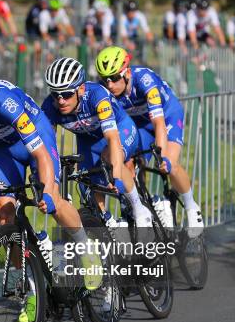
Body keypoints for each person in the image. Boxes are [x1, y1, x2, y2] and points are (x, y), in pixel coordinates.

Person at [0, 65, 102, 322]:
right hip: (3, 150)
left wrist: (47, 191)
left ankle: (86, 249)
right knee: (5, 218)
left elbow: (40, 155)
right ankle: (32, 291)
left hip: (36, 138)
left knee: (54, 201)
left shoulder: (4, 102)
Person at [95, 46, 204, 230]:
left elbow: (159, 123)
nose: (110, 85)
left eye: (114, 78)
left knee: (169, 163)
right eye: (104, 81)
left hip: (167, 115)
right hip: (139, 124)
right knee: (127, 162)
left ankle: (192, 207)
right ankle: (148, 204)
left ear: (126, 72)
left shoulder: (145, 80)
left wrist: (161, 156)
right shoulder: (107, 94)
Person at [41, 57, 152, 228]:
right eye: (56, 94)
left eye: (67, 94)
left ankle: (140, 210)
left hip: (120, 129)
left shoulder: (96, 96)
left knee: (109, 156)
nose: (61, 100)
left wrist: (116, 175)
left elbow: (112, 139)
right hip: (87, 140)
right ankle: (108, 223)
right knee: (87, 184)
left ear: (81, 89)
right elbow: (47, 146)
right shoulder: (50, 106)